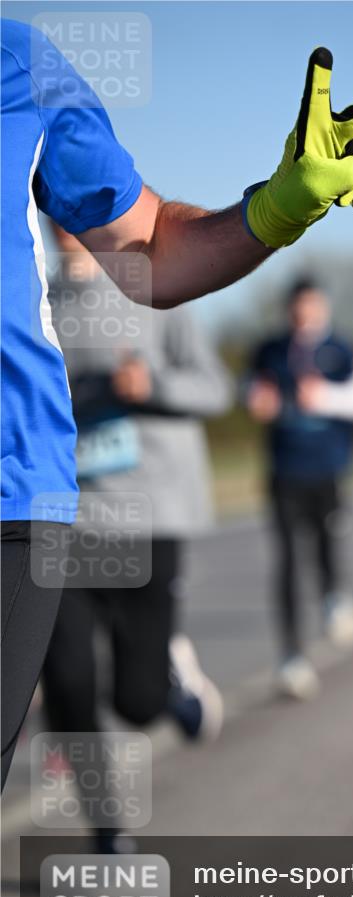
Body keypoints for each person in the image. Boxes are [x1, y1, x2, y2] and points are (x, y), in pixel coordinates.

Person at [1, 18, 353, 790]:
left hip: (27, 490)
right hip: (82, 509)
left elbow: (151, 246)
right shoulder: (52, 292)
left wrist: (275, 209)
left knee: (133, 690)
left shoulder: (17, 63)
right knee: (76, 689)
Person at [38, 228, 228, 852]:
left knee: (138, 703)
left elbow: (216, 389)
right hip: (64, 519)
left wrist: (154, 387)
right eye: (50, 213)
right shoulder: (36, 301)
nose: (62, 227)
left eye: (73, 213)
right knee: (66, 681)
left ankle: (167, 675)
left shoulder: (155, 292)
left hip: (149, 516)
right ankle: (108, 829)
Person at [244, 277, 353, 699]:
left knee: (326, 544)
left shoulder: (343, 349)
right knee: (286, 561)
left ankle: (333, 594)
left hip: (328, 470)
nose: (303, 315)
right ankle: (291, 656)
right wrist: (256, 397)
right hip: (284, 471)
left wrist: (323, 397)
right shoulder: (269, 348)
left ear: (323, 308)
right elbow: (249, 387)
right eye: (296, 307)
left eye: (311, 307)